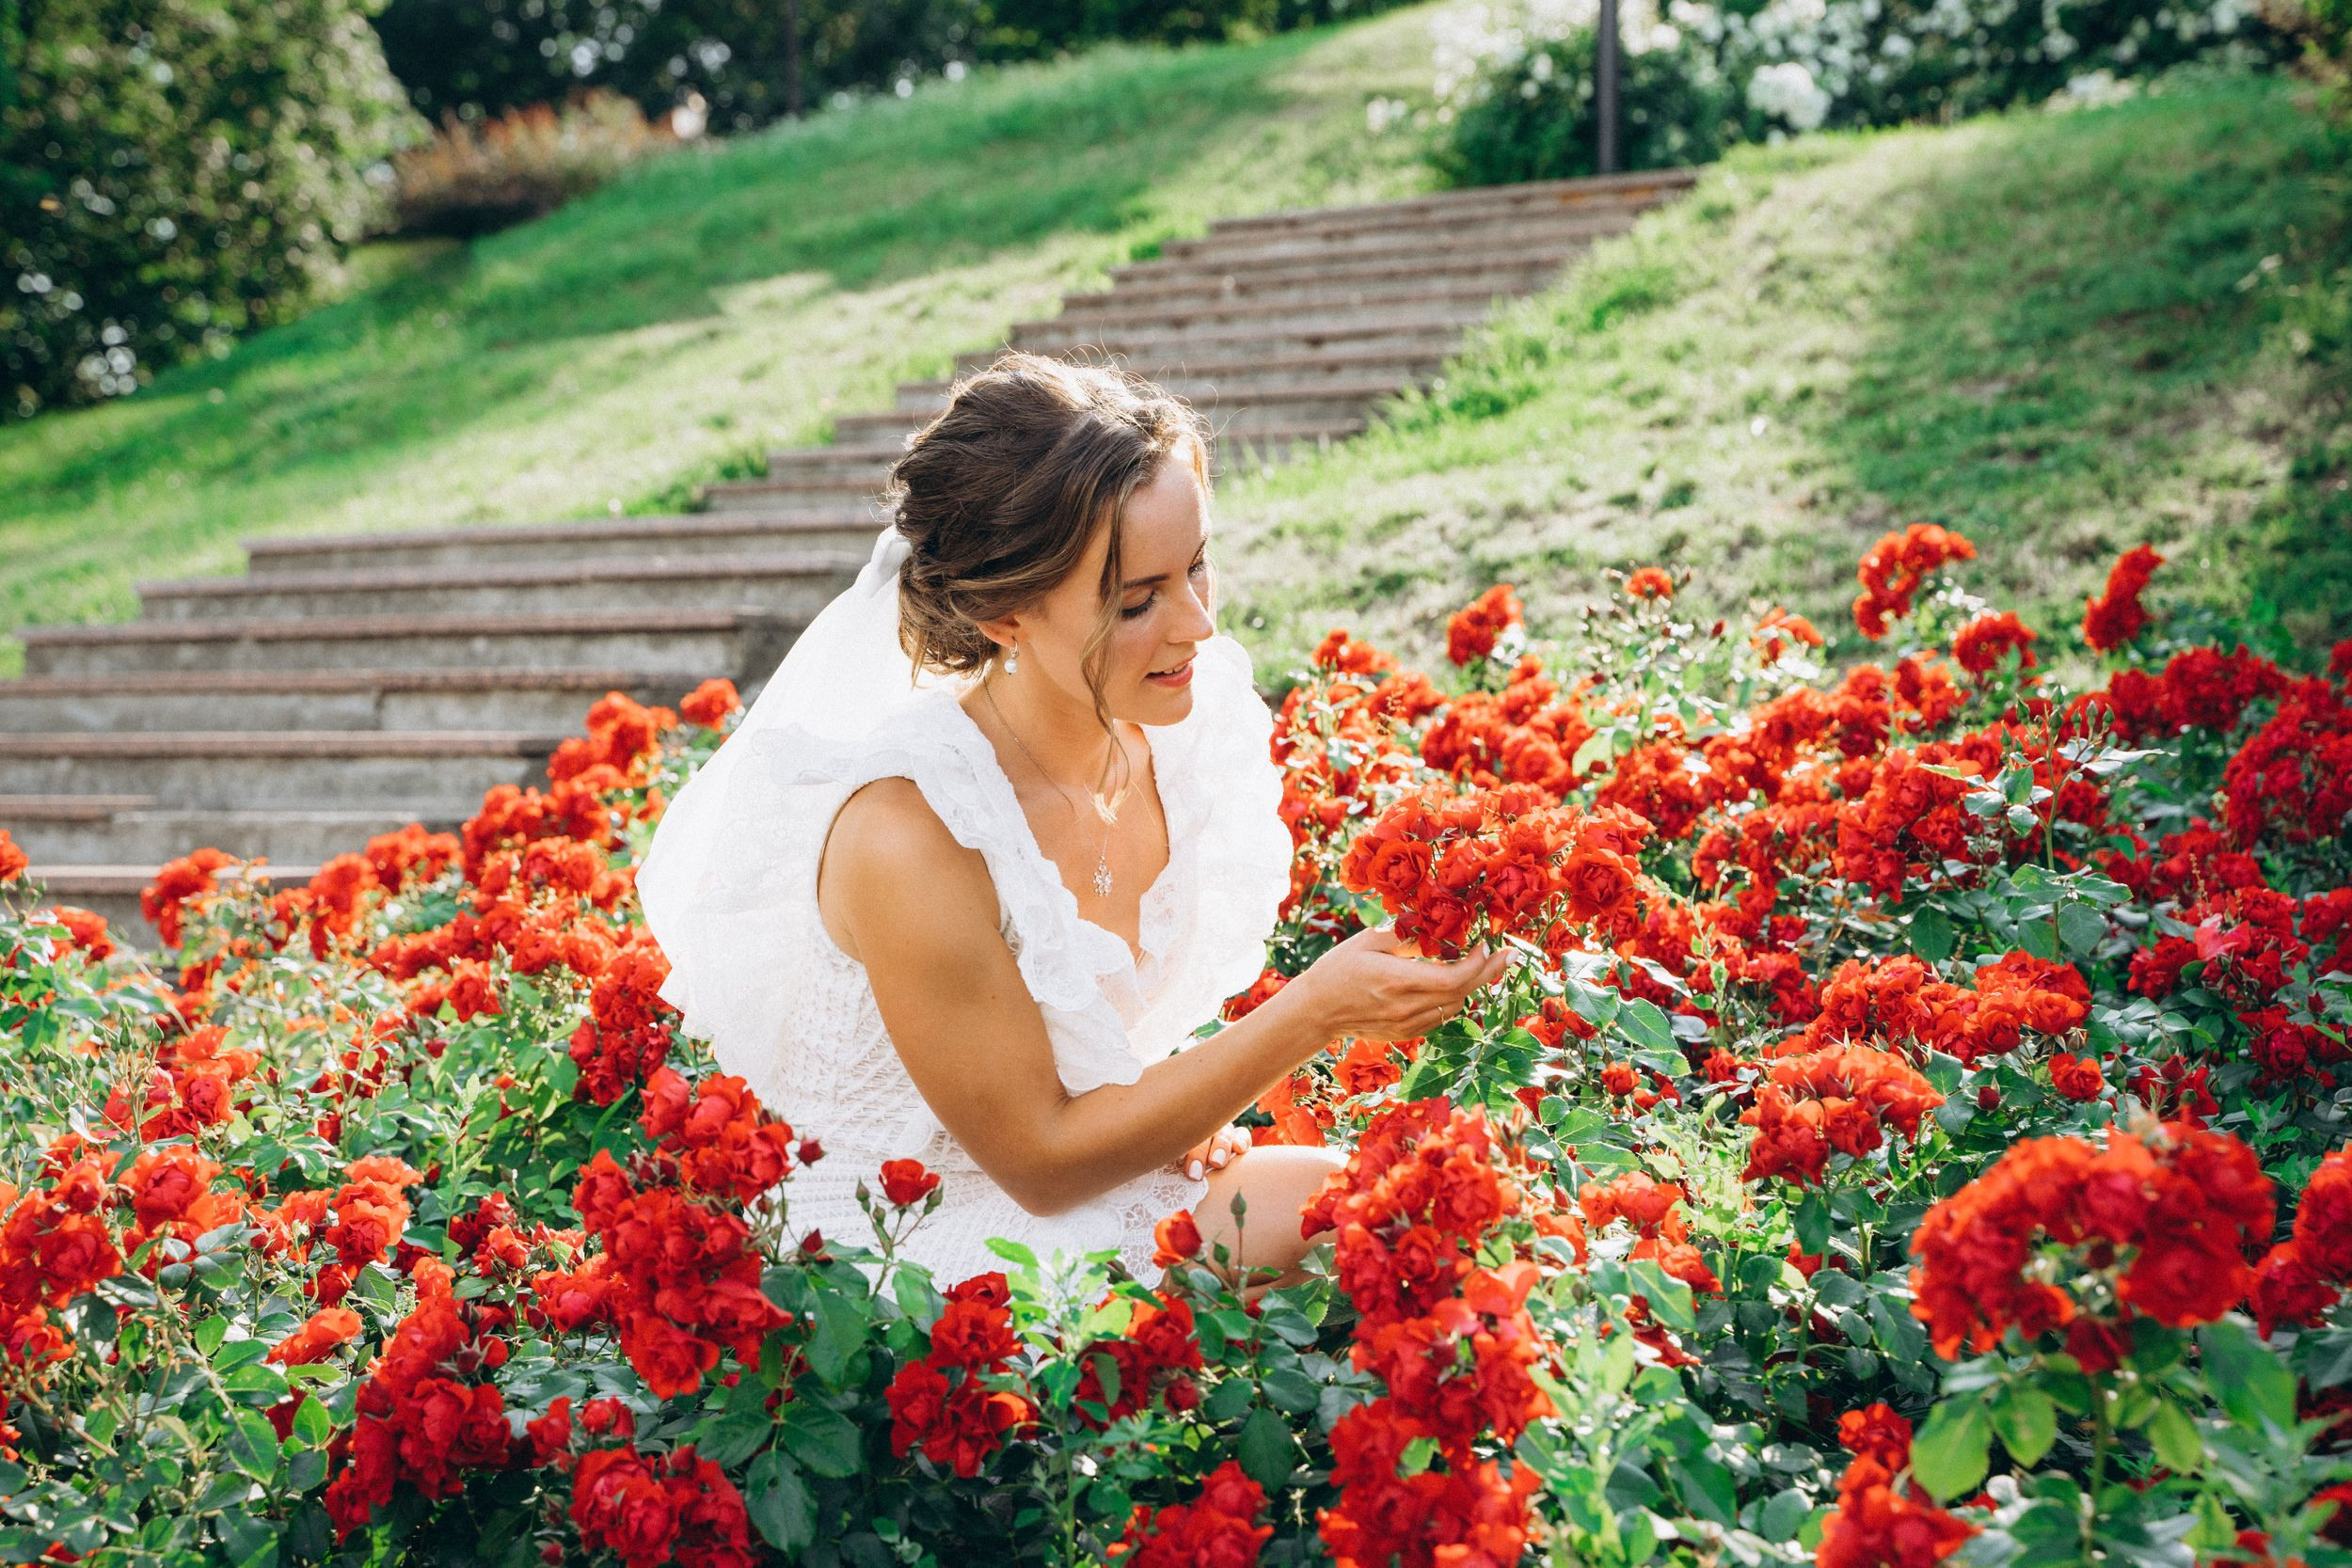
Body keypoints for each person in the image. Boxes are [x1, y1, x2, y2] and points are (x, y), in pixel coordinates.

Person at [635, 352, 1508, 1302]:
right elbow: (1040, 1161)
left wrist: (1169, 1103)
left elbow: (1087, 1062)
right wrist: (1314, 1011)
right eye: (1137, 600)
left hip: (1093, 1166)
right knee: (1351, 1247)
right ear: (1007, 616)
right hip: (923, 1245)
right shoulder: (907, 831)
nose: (1196, 626)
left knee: (1414, 1209)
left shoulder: (1174, 725)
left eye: (1196, 568)